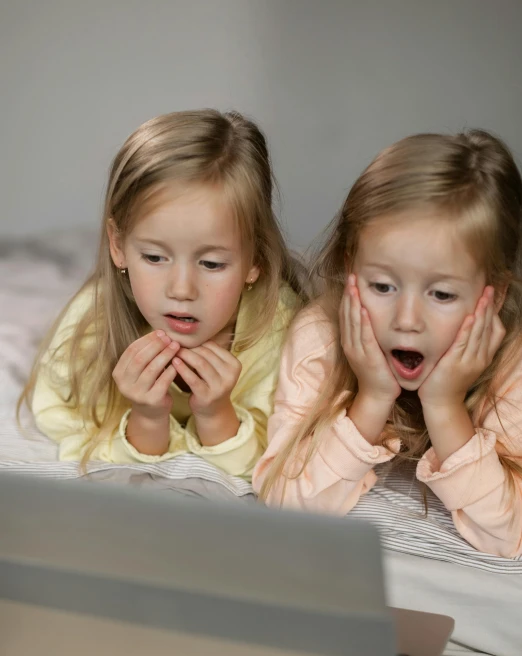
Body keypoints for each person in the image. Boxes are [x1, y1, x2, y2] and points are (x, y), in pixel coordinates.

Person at [253, 129, 522, 557]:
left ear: (497, 295)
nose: (407, 320)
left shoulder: (511, 362)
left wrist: (446, 406)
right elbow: (285, 501)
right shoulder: (321, 335)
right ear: (350, 267)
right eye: (382, 286)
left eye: (442, 295)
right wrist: (373, 397)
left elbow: (509, 534)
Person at [20, 109, 298, 479]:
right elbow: (88, 460)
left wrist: (216, 414)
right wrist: (148, 419)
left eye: (212, 264)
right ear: (118, 246)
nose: (181, 290)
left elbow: (274, 472)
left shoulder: (284, 337)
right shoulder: (90, 330)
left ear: (255, 260)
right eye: (154, 257)